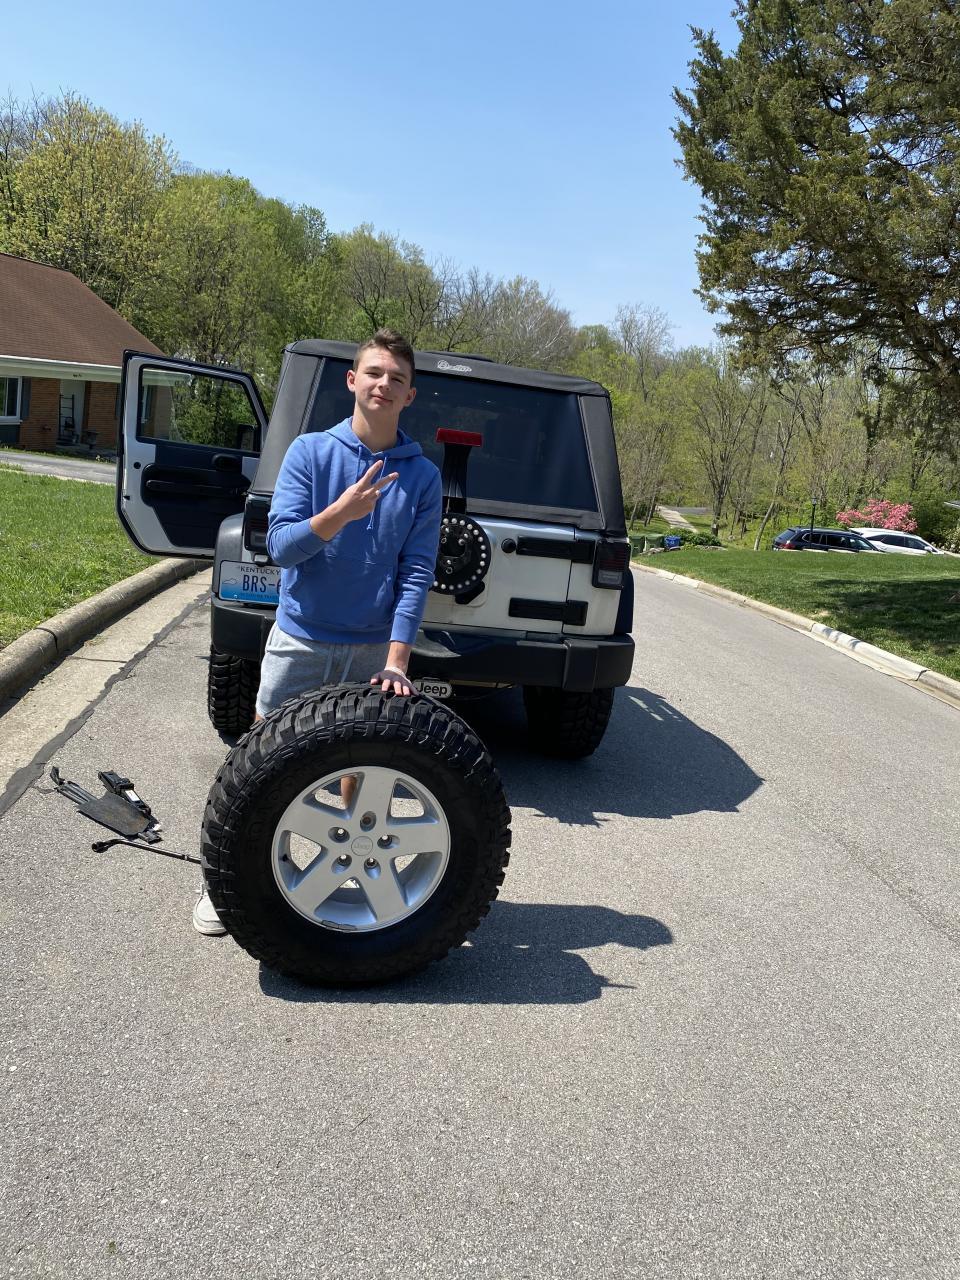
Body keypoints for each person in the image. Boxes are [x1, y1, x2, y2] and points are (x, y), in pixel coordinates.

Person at [194, 328, 442, 935]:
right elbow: (280, 547)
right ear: (353, 381)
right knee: (259, 764)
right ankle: (225, 880)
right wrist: (340, 514)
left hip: (371, 647)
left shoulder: (422, 477)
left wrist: (397, 658)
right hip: (300, 639)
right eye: (375, 373)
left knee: (360, 767)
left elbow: (416, 572)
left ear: (410, 395)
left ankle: (358, 871)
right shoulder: (309, 453)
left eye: (398, 378)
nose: (385, 384)